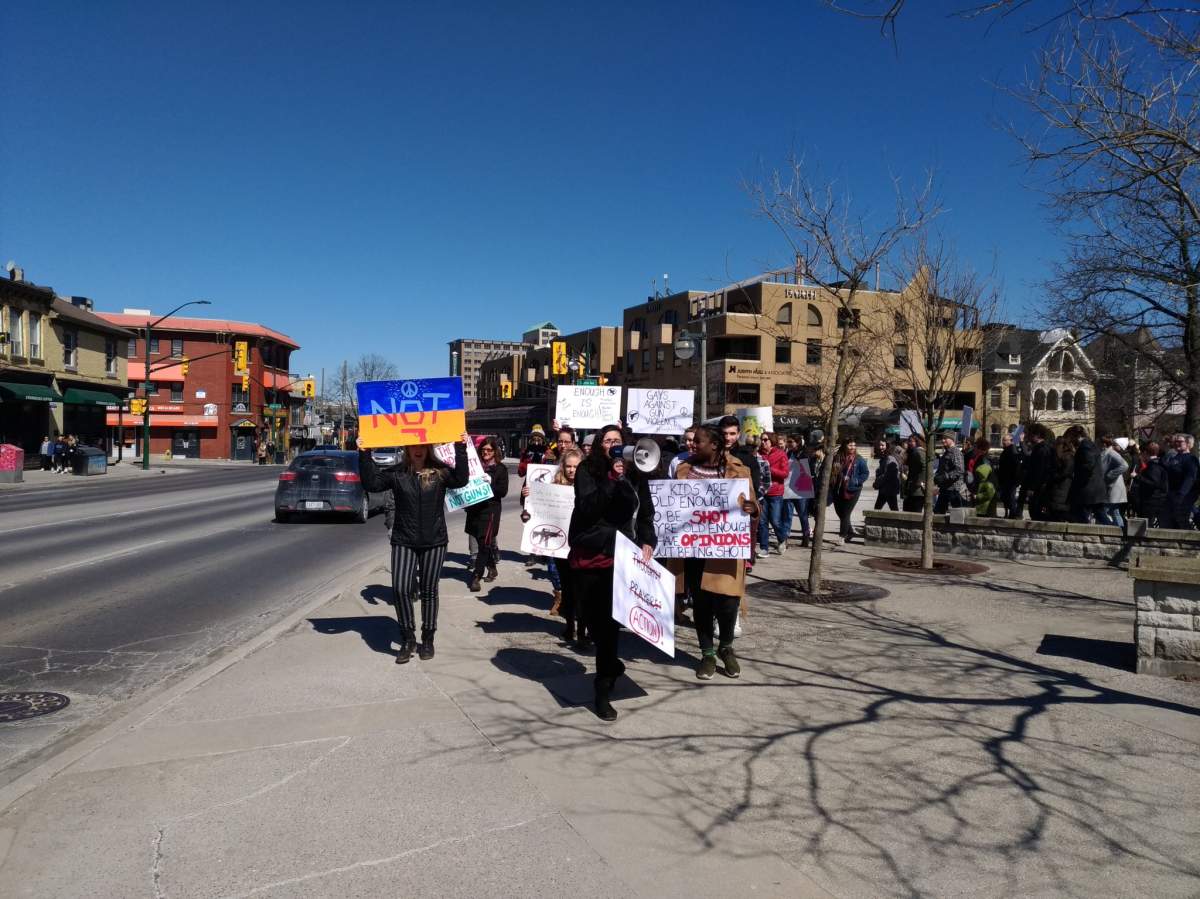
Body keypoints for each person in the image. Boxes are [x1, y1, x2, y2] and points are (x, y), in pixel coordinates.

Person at [568, 423, 656, 721]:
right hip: (588, 553)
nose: (613, 445)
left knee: (608, 628)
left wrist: (647, 540)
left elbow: (645, 513)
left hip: (619, 558)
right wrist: (611, 480)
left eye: (618, 440)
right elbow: (588, 508)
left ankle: (602, 688)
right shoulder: (587, 471)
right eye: (608, 441)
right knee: (589, 620)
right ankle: (612, 665)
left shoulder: (635, 474)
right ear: (599, 446)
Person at [358, 433, 470, 663]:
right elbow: (371, 483)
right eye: (413, 445)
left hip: (434, 540)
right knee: (400, 588)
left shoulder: (440, 472)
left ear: (428, 447)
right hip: (404, 539)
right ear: (407, 448)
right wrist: (364, 452)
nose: (418, 449)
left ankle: (427, 639)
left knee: (429, 590)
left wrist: (461, 447)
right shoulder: (398, 473)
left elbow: (462, 479)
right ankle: (408, 638)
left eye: (422, 445)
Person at [670, 424, 758, 681]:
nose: (692, 445)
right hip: (694, 549)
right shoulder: (683, 470)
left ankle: (726, 647)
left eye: (698, 441)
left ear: (715, 445)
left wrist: (752, 508)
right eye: (692, 441)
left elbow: (751, 503)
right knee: (702, 604)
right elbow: (674, 506)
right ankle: (707, 653)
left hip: (725, 549)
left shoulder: (739, 470)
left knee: (728, 603)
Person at [466, 436, 509, 592]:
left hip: (490, 511)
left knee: (484, 544)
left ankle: (476, 576)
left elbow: (502, 492)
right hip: (474, 509)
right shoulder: (474, 467)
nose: (486, 452)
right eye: (483, 449)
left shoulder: (500, 469)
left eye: (489, 450)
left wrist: (491, 483)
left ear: (495, 451)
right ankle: (491, 567)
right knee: (481, 540)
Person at [827, 439, 869, 542]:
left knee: (845, 513)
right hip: (838, 488)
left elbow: (865, 473)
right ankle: (850, 532)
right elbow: (831, 471)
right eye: (850, 445)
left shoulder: (859, 459)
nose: (853, 447)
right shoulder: (837, 457)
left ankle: (842, 535)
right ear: (845, 446)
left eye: (854, 445)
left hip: (853, 490)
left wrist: (856, 481)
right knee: (840, 513)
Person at [1064, 425, 1106, 524]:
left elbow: (1088, 466)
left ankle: (1116, 534)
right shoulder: (1089, 445)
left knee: (1079, 513)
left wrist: (1077, 476)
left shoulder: (1085, 446)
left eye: (1070, 437)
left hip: (1088, 489)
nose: (1070, 441)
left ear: (1076, 436)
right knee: (1100, 514)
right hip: (1093, 489)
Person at [757, 433, 791, 555]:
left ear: (772, 441)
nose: (763, 442)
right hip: (762, 492)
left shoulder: (781, 454)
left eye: (765, 440)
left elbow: (785, 473)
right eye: (761, 440)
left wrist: (769, 469)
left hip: (775, 492)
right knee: (762, 521)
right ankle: (764, 548)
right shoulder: (758, 454)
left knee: (775, 520)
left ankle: (782, 539)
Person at [1162, 433, 1199, 529]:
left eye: (1180, 441)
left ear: (1188, 443)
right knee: (1169, 519)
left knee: (1181, 519)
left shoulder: (1191, 459)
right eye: (1176, 441)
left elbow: (1190, 477)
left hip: (1185, 495)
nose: (1177, 443)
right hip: (1171, 493)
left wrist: (1182, 494)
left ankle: (1190, 542)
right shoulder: (1174, 457)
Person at [1020, 424, 1055, 521]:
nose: (1029, 436)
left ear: (1037, 435)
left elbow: (1039, 471)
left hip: (1039, 488)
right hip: (1040, 486)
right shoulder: (1042, 448)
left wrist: (1032, 488)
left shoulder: (1042, 450)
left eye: (1031, 434)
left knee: (1035, 511)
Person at [1131, 441, 1169, 526]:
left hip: (1151, 500)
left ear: (1145, 453)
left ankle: (1148, 539)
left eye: (1141, 453)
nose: (1140, 455)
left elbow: (1153, 483)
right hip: (1157, 498)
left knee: (1147, 524)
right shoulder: (1159, 464)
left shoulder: (1153, 466)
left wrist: (1136, 477)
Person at [932, 435, 966, 514]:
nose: (943, 440)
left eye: (945, 438)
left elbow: (959, 470)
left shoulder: (956, 452)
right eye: (942, 438)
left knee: (957, 514)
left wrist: (945, 476)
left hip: (954, 488)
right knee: (938, 512)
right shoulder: (947, 452)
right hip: (945, 487)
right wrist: (937, 477)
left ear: (952, 439)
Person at [1046, 437, 1075, 522]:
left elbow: (1065, 472)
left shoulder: (1068, 457)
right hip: (1058, 488)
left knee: (1059, 511)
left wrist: (1054, 476)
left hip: (1062, 487)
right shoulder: (1062, 456)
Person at [997, 432, 1021, 519]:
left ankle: (1013, 514)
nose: (1003, 442)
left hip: (1010, 479)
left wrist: (1016, 479)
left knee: (1010, 497)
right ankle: (1009, 513)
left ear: (1011, 441)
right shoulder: (1006, 450)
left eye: (1005, 440)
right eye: (1003, 440)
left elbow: (1015, 466)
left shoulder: (1012, 450)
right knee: (1005, 497)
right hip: (1005, 479)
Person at [873, 440, 902, 511]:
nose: (880, 447)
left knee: (892, 509)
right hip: (884, 489)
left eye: (883, 445)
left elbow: (887, 475)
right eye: (880, 445)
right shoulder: (884, 458)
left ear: (887, 446)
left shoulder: (890, 458)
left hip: (889, 489)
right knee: (878, 508)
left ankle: (896, 522)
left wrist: (877, 483)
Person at [972, 439, 998, 517]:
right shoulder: (983, 459)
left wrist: (977, 495)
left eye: (975, 447)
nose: (974, 449)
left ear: (980, 449)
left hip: (986, 497)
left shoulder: (983, 460)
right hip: (987, 495)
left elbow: (982, 478)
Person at [901, 434, 926, 513]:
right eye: (908, 441)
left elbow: (925, 467)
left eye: (911, 441)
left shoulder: (918, 452)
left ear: (918, 442)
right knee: (909, 511)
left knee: (914, 512)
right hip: (912, 488)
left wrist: (919, 481)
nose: (909, 443)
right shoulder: (913, 452)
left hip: (917, 490)